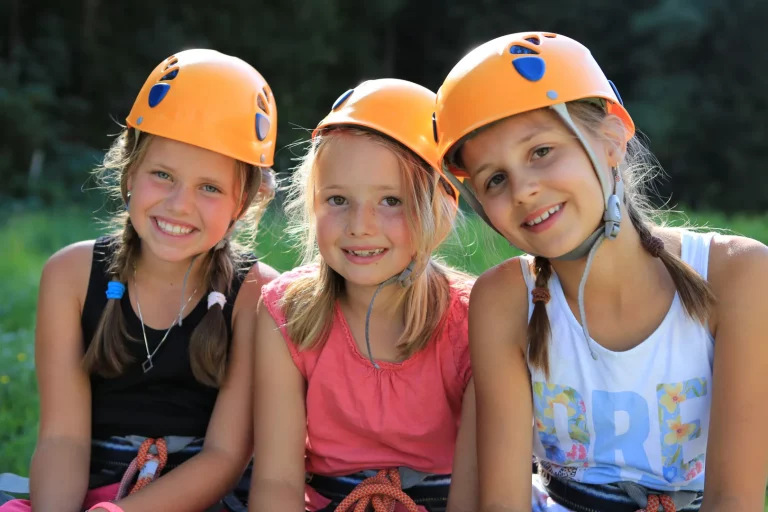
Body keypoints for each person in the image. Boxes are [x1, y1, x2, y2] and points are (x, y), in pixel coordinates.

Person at [433, 32, 768, 512]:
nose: (524, 190)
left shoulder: (737, 275)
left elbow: (734, 499)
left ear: (611, 140)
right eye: (496, 179)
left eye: (541, 151)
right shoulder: (504, 299)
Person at [0, 48, 280, 512]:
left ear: (243, 201)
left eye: (209, 187)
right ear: (130, 171)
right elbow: (63, 439)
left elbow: (226, 455)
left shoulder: (256, 293)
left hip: (200, 498)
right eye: (162, 175)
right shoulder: (70, 276)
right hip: (87, 494)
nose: (178, 204)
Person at [248, 79, 477, 512]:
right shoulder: (285, 312)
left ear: (441, 211)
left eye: (391, 200)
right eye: (337, 199)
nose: (359, 225)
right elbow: (277, 481)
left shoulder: (473, 320)